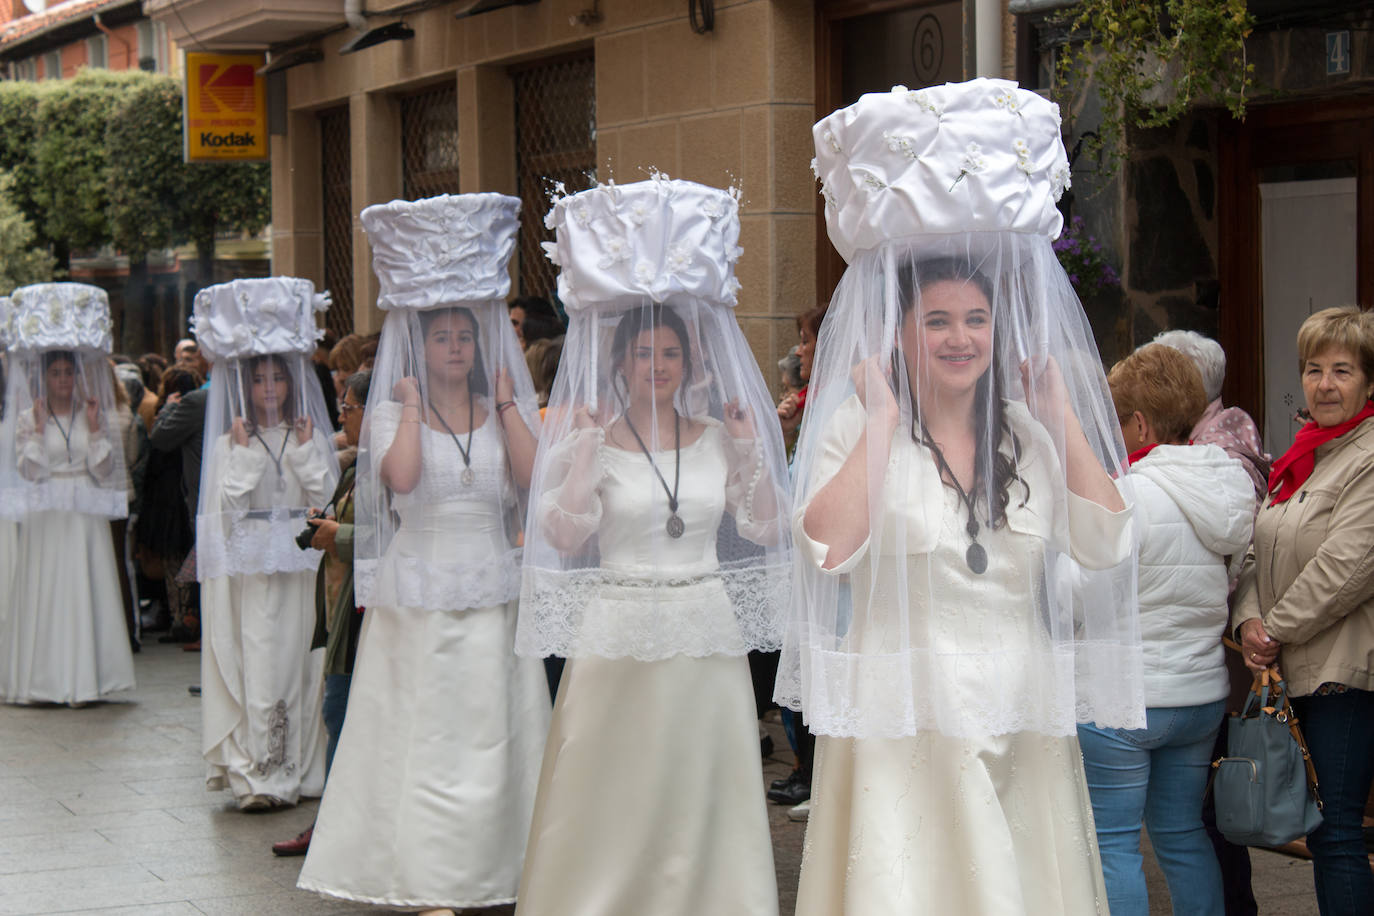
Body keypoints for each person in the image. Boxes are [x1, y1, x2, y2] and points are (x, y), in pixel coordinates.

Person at [777, 80, 1145, 913]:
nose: (958, 338)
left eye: (975, 319)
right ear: (901, 332)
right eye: (936, 320)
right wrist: (878, 420)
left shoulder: (1025, 427)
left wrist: (1061, 417)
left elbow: (1107, 541)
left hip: (1020, 711)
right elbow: (827, 548)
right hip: (904, 720)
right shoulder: (859, 425)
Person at [515, 176, 792, 916]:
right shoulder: (591, 437)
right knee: (615, 780)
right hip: (616, 629)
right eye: (645, 353)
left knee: (698, 778)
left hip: (704, 630)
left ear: (689, 358)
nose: (659, 365)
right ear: (622, 361)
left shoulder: (716, 438)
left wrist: (750, 451)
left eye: (671, 351)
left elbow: (766, 526)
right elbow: (564, 534)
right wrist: (579, 455)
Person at [298, 193, 550, 912]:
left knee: (493, 730)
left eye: (463, 339)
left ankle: (501, 866)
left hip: (492, 580)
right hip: (420, 584)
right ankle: (431, 875)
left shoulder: (501, 402)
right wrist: (409, 405)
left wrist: (506, 403)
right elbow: (401, 479)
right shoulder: (387, 410)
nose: (454, 349)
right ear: (421, 346)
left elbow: (533, 478)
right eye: (440, 339)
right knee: (428, 735)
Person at [1077, 344, 1254, 916]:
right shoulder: (1227, 485)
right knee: (1182, 835)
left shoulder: (1127, 495)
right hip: (1200, 694)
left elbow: (1075, 593)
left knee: (1114, 843)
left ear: (1139, 422)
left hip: (1124, 701)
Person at [1234, 305, 1374, 916]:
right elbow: (1254, 552)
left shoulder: (1367, 458)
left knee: (1336, 830)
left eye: (1342, 370)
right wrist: (1247, 623)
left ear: (1368, 381)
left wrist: (1275, 629)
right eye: (1314, 369)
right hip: (1291, 666)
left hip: (1342, 674)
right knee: (1321, 830)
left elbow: (1348, 567)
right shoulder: (1302, 457)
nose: (1324, 384)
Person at [192, 277, 338, 810]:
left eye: (279, 377)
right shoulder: (235, 438)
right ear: (246, 386)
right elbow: (227, 506)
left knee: (301, 664)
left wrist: (303, 451)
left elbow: (325, 495)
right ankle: (261, 774)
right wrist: (245, 453)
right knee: (260, 661)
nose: (270, 388)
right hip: (255, 571)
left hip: (299, 567)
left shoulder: (307, 434)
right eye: (260, 379)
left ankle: (299, 771)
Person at [0, 284, 135, 706]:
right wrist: (38, 431)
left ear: (78, 375)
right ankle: (45, 679)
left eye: (69, 373)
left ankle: (88, 678)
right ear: (45, 376)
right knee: (47, 589)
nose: (63, 380)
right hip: (48, 512)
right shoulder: (29, 416)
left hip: (83, 510)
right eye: (56, 373)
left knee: (86, 587)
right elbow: (28, 469)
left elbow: (102, 468)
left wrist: (95, 429)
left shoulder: (90, 411)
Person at [272, 368, 371, 859]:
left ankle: (333, 828)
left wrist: (341, 536)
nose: (342, 417)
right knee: (337, 712)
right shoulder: (357, 468)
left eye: (348, 409)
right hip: (341, 610)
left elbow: (401, 540)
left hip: (363, 615)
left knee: (340, 711)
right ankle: (334, 824)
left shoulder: (389, 470)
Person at [1153, 329, 1270, 500]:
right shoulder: (1224, 432)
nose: (1147, 397)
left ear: (1182, 392)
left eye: (1155, 384)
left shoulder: (1219, 460)